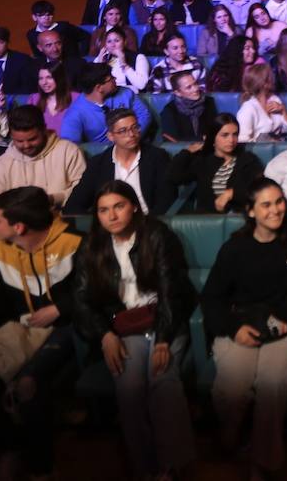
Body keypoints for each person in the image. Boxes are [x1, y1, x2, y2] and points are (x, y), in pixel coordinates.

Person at [70, 181, 196, 479]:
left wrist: (164, 339)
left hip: (163, 320)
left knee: (163, 382)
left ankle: (172, 467)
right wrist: (105, 334)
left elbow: (172, 291)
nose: (111, 216)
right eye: (103, 210)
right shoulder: (92, 246)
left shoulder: (157, 235)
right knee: (129, 390)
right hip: (125, 324)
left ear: (134, 207)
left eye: (119, 206)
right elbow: (82, 299)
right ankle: (146, 469)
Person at [0, 187, 82, 481]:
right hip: (19, 333)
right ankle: (11, 449)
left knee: (29, 386)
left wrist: (60, 308)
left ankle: (42, 469)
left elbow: (95, 292)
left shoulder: (75, 243)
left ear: (19, 226)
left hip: (68, 332)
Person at [200, 176, 287, 478]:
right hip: (240, 323)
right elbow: (212, 296)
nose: (276, 210)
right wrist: (233, 328)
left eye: (279, 201)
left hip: (283, 324)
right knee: (233, 388)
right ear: (251, 211)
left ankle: (261, 464)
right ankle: (230, 430)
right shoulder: (235, 248)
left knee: (272, 386)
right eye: (266, 204)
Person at [0, 106, 86, 217]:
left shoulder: (69, 151)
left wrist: (53, 199)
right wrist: (17, 211)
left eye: (32, 139)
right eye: (19, 141)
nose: (26, 145)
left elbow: (83, 192)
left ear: (44, 130)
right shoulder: (1, 165)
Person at [64, 108, 176, 215]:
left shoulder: (157, 157)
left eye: (135, 127)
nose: (131, 134)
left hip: (147, 223)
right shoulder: (97, 164)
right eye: (123, 131)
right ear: (111, 136)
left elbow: (166, 200)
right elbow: (74, 205)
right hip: (110, 226)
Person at [168, 113, 262, 213]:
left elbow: (260, 187)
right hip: (208, 219)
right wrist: (186, 153)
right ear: (213, 137)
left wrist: (231, 193)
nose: (231, 140)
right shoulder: (203, 161)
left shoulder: (248, 159)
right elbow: (173, 176)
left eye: (235, 134)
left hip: (239, 217)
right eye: (225, 135)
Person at [58, 64, 152, 144]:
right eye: (111, 79)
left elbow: (144, 115)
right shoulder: (76, 112)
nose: (115, 79)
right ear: (99, 88)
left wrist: (129, 138)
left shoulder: (125, 93)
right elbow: (69, 143)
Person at [237, 63, 287, 142]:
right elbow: (243, 141)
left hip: (280, 147)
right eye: (270, 76)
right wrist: (267, 142)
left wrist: (283, 110)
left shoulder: (275, 99)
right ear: (263, 83)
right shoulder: (248, 108)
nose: (273, 78)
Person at [93, 26, 151, 94]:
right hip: (105, 96)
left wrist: (124, 65)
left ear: (125, 42)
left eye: (117, 41)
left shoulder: (138, 57)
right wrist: (99, 64)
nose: (113, 45)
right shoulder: (102, 58)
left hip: (127, 97)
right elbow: (92, 84)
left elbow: (142, 85)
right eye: (109, 41)